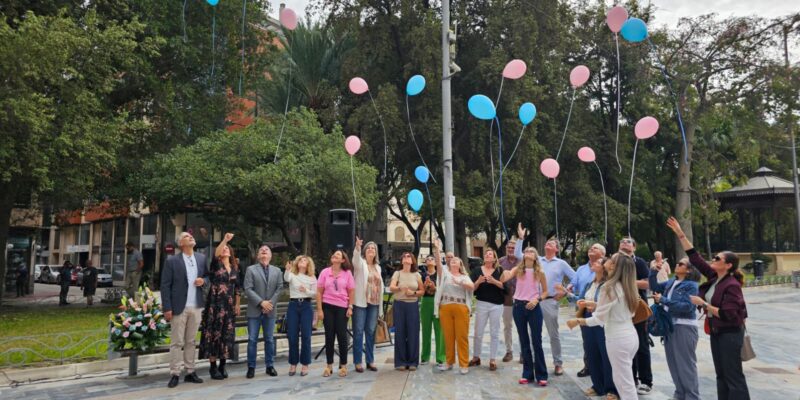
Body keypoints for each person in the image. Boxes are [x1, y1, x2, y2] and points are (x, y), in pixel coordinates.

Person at [667, 217, 751, 400]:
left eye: (718, 258)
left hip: (730, 333)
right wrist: (680, 234)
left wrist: (703, 304)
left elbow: (728, 313)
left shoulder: (732, 285)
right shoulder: (715, 276)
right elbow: (695, 257)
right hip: (717, 331)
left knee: (733, 375)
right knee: (721, 374)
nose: (713, 259)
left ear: (728, 265)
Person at [567, 253, 640, 400]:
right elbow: (615, 307)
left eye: (611, 260)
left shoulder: (609, 287)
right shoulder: (628, 285)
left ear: (613, 266)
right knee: (625, 380)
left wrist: (579, 321)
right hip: (630, 335)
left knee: (623, 383)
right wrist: (594, 305)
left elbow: (599, 319)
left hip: (617, 338)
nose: (607, 260)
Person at [515, 224, 575, 375]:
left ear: (557, 249)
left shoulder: (561, 263)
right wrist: (521, 238)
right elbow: (518, 255)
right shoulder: (537, 260)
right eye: (547, 242)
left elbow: (576, 278)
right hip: (531, 301)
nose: (548, 243)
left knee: (553, 334)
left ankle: (558, 362)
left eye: (552, 243)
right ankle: (534, 361)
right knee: (532, 334)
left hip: (549, 301)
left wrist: (565, 291)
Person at [649, 256, 701, 400]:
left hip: (684, 326)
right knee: (673, 363)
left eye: (681, 263)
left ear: (689, 270)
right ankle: (680, 394)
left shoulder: (691, 285)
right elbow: (654, 287)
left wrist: (663, 300)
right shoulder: (672, 282)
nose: (677, 264)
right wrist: (653, 272)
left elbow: (687, 307)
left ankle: (692, 396)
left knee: (685, 364)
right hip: (670, 326)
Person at [161, 232, 208, 388]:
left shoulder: (201, 258)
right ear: (180, 243)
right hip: (178, 307)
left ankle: (190, 371)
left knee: (191, 341)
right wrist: (167, 307)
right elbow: (165, 286)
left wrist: (203, 280)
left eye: (191, 236)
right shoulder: (172, 261)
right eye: (187, 236)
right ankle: (175, 373)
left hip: (196, 307)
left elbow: (208, 277)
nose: (191, 237)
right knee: (177, 342)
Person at [500, 243, 549, 386]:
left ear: (535, 257)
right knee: (524, 341)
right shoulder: (517, 269)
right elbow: (503, 279)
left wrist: (537, 299)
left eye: (531, 251)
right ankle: (527, 374)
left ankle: (541, 375)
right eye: (526, 251)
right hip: (519, 307)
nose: (528, 252)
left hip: (534, 306)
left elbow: (545, 292)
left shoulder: (540, 272)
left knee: (537, 341)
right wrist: (502, 271)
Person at [199, 233, 241, 380]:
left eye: (227, 249)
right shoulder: (216, 264)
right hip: (215, 304)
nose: (225, 250)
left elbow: (237, 288)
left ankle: (223, 365)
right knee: (214, 334)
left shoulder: (235, 268)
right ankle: (213, 367)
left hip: (229, 307)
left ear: (231, 253)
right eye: (223, 249)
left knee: (226, 335)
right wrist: (225, 240)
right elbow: (217, 252)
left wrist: (237, 304)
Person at [575, 257, 618, 400]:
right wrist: (567, 294)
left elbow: (607, 304)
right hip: (588, 319)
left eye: (598, 262)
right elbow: (579, 299)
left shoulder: (609, 285)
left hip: (602, 320)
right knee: (591, 352)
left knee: (605, 355)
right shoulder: (589, 284)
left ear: (604, 267)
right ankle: (597, 386)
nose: (593, 263)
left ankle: (611, 388)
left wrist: (591, 303)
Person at [563, 243, 606, 378]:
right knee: (588, 341)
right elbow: (574, 284)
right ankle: (589, 366)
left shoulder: (607, 279)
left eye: (595, 248)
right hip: (584, 309)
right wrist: (568, 289)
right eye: (590, 248)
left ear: (603, 256)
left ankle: (603, 370)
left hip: (601, 312)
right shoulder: (582, 269)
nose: (591, 249)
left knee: (602, 342)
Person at [433, 239, 474, 374]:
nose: (453, 261)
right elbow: (438, 263)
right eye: (452, 260)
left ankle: (463, 364)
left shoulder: (464, 276)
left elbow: (472, 287)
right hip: (445, 307)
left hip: (461, 308)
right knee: (448, 336)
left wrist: (460, 282)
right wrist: (438, 249)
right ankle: (449, 362)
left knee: (462, 337)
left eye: (456, 260)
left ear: (460, 264)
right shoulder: (445, 274)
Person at [618, 236, 653, 395]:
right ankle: (631, 378)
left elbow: (647, 283)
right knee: (625, 345)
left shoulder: (638, 262)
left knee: (641, 345)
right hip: (620, 309)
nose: (625, 243)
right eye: (622, 241)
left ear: (634, 247)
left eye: (628, 242)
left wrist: (627, 282)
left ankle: (646, 380)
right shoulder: (616, 262)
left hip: (638, 308)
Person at [243, 244, 284, 379]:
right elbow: (248, 289)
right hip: (254, 310)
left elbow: (279, 288)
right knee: (252, 339)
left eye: (267, 250)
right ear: (258, 255)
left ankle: (270, 366)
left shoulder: (277, 271)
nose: (264, 251)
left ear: (271, 256)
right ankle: (251, 367)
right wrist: (261, 303)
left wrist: (269, 303)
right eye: (261, 250)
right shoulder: (250, 269)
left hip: (270, 311)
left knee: (269, 339)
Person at [316, 249, 356, 378]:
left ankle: (343, 365)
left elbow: (351, 291)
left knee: (342, 337)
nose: (334, 255)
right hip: (327, 306)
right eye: (334, 254)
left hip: (342, 307)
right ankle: (329, 366)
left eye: (338, 255)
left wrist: (350, 307)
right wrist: (320, 309)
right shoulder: (324, 272)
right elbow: (319, 292)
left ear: (343, 260)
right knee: (329, 337)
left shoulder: (347, 273)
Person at [351, 237, 384, 373]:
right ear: (365, 251)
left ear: (376, 253)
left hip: (374, 303)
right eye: (369, 248)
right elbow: (355, 260)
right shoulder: (361, 264)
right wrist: (357, 248)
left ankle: (370, 360)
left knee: (370, 332)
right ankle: (358, 362)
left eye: (373, 249)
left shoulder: (378, 267)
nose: (371, 250)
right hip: (360, 302)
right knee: (358, 332)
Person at [469, 249, 505, 371]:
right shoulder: (476, 271)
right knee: (478, 332)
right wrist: (478, 282)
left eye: (490, 254)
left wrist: (494, 281)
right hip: (481, 303)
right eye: (486, 254)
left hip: (496, 305)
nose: (487, 255)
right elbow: (471, 289)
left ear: (495, 259)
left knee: (494, 332)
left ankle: (492, 359)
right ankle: (476, 357)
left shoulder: (500, 271)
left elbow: (505, 287)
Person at [284, 255, 317, 377]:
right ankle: (293, 363)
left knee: (306, 336)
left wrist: (306, 291)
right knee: (292, 336)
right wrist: (287, 269)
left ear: (308, 264)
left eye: (305, 261)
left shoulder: (312, 277)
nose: (303, 262)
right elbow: (287, 278)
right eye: (301, 260)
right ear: (297, 263)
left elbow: (315, 294)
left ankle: (305, 364)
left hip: (306, 306)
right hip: (293, 305)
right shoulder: (293, 275)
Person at [390, 251, 424, 371]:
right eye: (403, 256)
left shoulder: (417, 275)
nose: (406, 257)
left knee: (413, 333)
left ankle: (413, 362)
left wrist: (413, 293)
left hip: (412, 306)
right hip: (399, 305)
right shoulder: (397, 273)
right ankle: (400, 361)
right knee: (400, 333)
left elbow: (422, 291)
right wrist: (400, 287)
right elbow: (392, 287)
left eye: (408, 256)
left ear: (412, 260)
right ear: (401, 260)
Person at [419, 254, 445, 367]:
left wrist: (435, 288)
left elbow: (443, 289)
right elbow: (420, 291)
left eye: (432, 259)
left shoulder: (440, 275)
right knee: (426, 330)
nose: (430, 260)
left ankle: (441, 357)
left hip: (437, 302)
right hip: (426, 302)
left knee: (439, 330)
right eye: (428, 259)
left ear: (435, 263)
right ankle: (425, 356)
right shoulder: (422, 275)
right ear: (425, 263)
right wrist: (425, 287)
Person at [497, 240, 519, 363]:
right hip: (506, 297)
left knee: (522, 326)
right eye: (509, 247)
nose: (510, 249)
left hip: (522, 296)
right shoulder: (500, 262)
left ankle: (523, 353)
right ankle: (509, 351)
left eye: (513, 247)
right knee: (507, 325)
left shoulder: (522, 261)